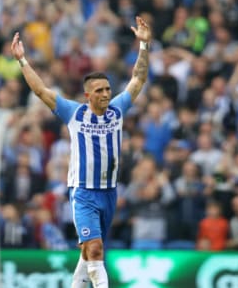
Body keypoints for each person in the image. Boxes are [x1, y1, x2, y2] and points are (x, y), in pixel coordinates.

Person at [11, 16, 151, 288]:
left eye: (108, 89)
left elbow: (138, 78)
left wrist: (144, 46)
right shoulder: (74, 113)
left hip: (109, 192)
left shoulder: (117, 110)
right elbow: (41, 90)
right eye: (99, 90)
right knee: (96, 249)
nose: (106, 94)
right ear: (88, 95)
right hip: (83, 192)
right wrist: (22, 61)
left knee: (88, 252)